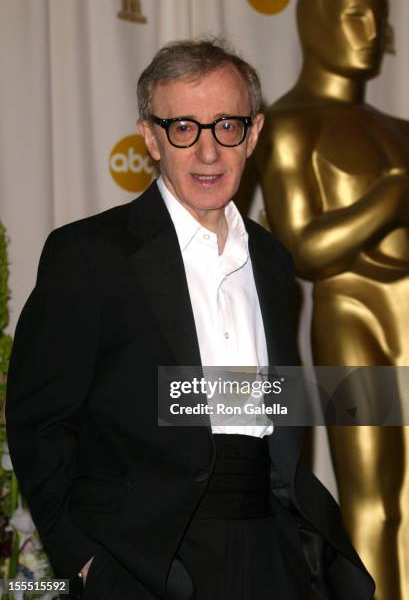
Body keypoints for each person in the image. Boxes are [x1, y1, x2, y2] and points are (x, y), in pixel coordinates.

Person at [6, 38, 374, 600]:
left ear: (253, 134)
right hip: (147, 561)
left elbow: (256, 406)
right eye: (184, 128)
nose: (208, 152)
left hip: (270, 548)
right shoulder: (91, 254)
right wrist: (83, 562)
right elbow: (40, 424)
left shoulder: (274, 262)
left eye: (226, 126)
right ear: (150, 137)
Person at [256, 0, 409, 598]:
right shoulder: (290, 125)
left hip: (405, 312)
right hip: (350, 315)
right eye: (354, 15)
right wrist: (389, 200)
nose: (372, 30)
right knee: (371, 496)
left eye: (379, 16)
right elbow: (299, 248)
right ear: (317, 24)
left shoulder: (400, 129)